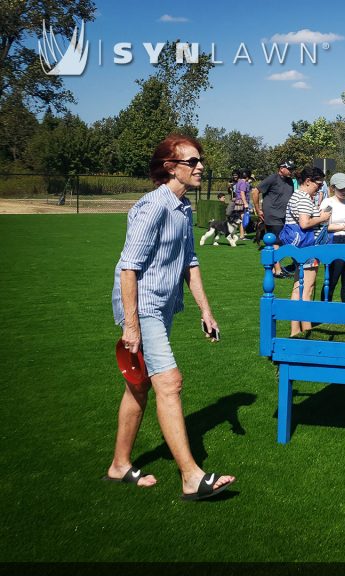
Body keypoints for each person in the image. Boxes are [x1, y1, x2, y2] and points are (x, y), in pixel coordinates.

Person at [108, 134, 235, 500]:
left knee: (139, 384)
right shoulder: (153, 207)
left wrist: (206, 311)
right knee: (170, 382)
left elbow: (190, 263)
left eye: (200, 161)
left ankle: (119, 464)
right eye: (192, 162)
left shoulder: (184, 209)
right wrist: (131, 324)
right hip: (141, 304)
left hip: (163, 304)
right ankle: (191, 476)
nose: (200, 167)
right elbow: (128, 269)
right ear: (170, 168)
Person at [279, 166, 332, 336]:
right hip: (308, 248)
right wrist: (322, 217)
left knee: (298, 289)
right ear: (308, 181)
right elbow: (304, 223)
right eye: (318, 184)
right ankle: (306, 331)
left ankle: (295, 331)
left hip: (301, 248)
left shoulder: (297, 196)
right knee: (307, 290)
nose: (320, 188)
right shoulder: (303, 199)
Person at [253, 160, 296, 277]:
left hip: (284, 216)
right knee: (276, 241)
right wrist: (258, 209)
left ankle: (272, 269)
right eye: (289, 169)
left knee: (281, 241)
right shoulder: (272, 178)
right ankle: (278, 271)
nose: (291, 171)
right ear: (281, 168)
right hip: (272, 214)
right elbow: (256, 191)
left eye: (292, 169)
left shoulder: (290, 181)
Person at [321, 173, 345, 303]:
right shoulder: (328, 202)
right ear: (332, 188)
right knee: (331, 279)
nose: (344, 191)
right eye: (340, 189)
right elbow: (325, 226)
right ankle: (324, 308)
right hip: (334, 242)